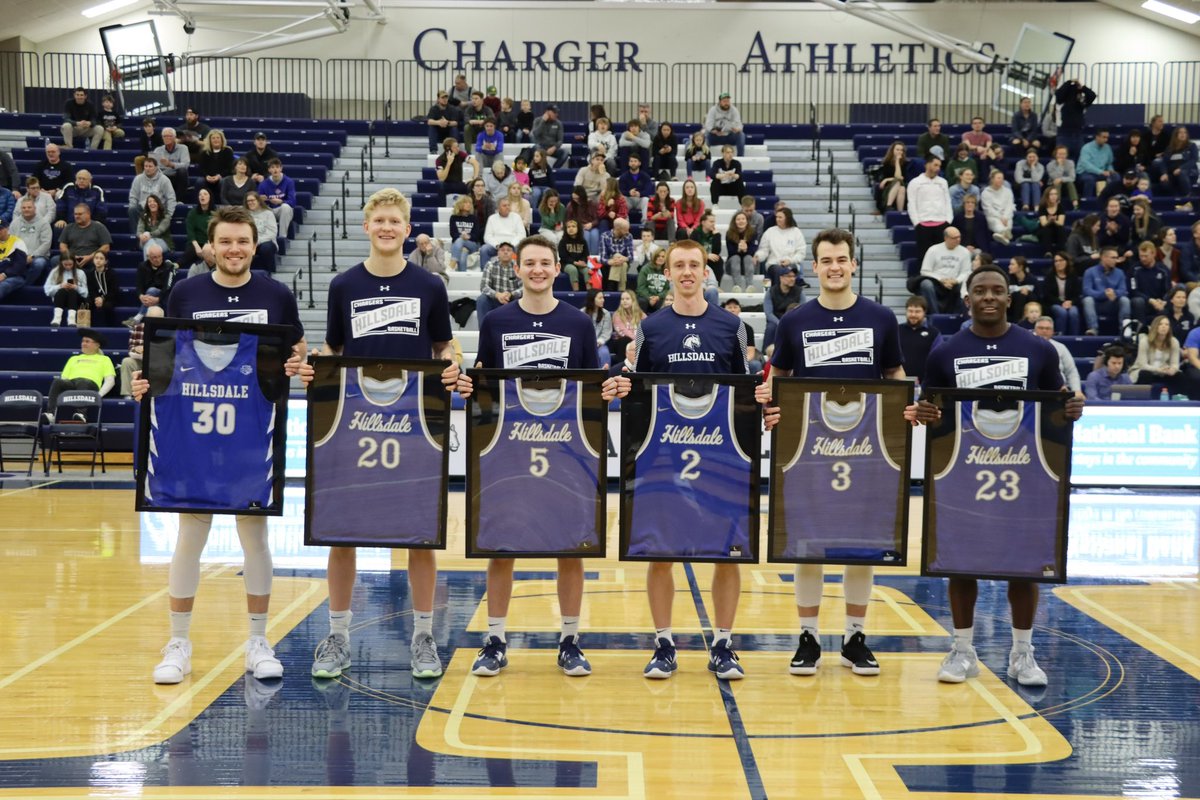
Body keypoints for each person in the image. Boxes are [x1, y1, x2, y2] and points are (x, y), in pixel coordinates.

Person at [130, 205, 306, 686]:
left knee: (255, 536)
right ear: (211, 246)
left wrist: (295, 365)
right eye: (225, 241)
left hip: (250, 431)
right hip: (195, 430)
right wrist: (144, 385)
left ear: (255, 245)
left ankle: (257, 640)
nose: (234, 249)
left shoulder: (275, 293)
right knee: (191, 533)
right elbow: (162, 358)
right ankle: (179, 642)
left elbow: (298, 350)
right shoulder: (186, 291)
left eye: (242, 242)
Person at [294, 188, 457, 681]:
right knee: (342, 531)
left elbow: (445, 347)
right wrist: (314, 367)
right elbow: (332, 348)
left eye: (396, 221)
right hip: (356, 422)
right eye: (380, 220)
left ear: (408, 230)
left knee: (421, 535)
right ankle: (338, 636)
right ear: (367, 227)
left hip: (413, 424)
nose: (387, 228)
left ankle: (423, 635)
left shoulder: (429, 287)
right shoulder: (344, 285)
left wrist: (451, 368)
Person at [907, 264, 1084, 687]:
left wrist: (1071, 409)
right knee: (961, 563)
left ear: (1010, 299)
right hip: (964, 473)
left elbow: (1054, 407)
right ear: (967, 300)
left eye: (997, 290)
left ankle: (1023, 654)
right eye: (980, 291)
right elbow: (929, 409)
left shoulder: (1038, 350)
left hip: (1022, 474)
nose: (989, 296)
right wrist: (924, 413)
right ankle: (962, 651)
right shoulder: (945, 352)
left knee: (1023, 566)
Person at [456, 235, 623, 678]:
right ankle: (495, 640)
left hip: (565, 447)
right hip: (510, 448)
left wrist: (606, 392)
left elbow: (591, 386)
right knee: (501, 544)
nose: (537, 270)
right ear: (519, 268)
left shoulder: (577, 323)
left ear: (555, 269)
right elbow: (484, 382)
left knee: (570, 546)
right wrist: (470, 385)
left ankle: (570, 639)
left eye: (544, 263)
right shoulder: (496, 322)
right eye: (529, 263)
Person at [758, 228, 905, 677]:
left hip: (865, 449)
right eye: (827, 260)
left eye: (842, 259)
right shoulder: (795, 321)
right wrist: (769, 402)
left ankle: (855, 637)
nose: (835, 267)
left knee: (859, 545)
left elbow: (895, 374)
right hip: (810, 448)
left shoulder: (881, 318)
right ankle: (809, 638)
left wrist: (908, 404)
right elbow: (776, 378)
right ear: (815, 267)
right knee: (808, 545)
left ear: (853, 264)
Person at [633, 239, 748, 680]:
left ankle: (723, 644)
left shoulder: (730, 326)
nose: (686, 272)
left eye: (693, 265)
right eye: (678, 265)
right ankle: (664, 643)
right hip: (665, 456)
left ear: (705, 271)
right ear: (668, 272)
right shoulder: (652, 327)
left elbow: (743, 394)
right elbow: (642, 391)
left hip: (720, 456)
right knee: (660, 552)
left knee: (726, 553)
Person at [45, 328, 114, 423]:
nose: (83, 343)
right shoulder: (73, 358)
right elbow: (64, 378)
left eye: (87, 341)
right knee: (57, 381)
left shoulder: (105, 359)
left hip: (90, 386)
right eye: (83, 341)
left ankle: (81, 414)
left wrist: (99, 395)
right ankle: (51, 414)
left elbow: (110, 380)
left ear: (97, 345)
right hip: (72, 384)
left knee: (83, 381)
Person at [908, 155, 953, 265]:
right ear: (927, 165)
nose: (938, 168)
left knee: (942, 257)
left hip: (941, 223)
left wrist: (948, 220)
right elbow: (912, 203)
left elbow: (947, 202)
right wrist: (917, 222)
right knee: (924, 257)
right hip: (923, 224)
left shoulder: (943, 182)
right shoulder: (915, 182)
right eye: (935, 165)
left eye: (939, 166)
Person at [914, 227, 971, 314]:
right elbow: (925, 271)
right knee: (926, 284)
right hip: (936, 283)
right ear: (946, 238)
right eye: (954, 238)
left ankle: (957, 315)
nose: (958, 240)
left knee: (963, 285)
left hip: (954, 283)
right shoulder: (933, 250)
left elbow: (966, 272)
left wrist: (956, 280)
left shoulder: (965, 252)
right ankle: (935, 314)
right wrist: (941, 279)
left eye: (959, 237)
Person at [124, 244, 178, 327]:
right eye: (154, 257)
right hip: (149, 300)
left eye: (159, 256)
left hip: (165, 298)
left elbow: (167, 287)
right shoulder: (142, 266)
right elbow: (139, 285)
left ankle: (138, 317)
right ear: (148, 257)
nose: (158, 259)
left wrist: (158, 298)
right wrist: (141, 296)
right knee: (150, 294)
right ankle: (140, 320)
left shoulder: (169, 267)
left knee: (151, 290)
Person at [118, 307, 164, 398]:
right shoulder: (138, 328)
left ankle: (160, 394)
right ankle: (127, 394)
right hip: (141, 360)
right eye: (151, 318)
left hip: (159, 362)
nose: (154, 321)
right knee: (127, 361)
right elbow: (131, 348)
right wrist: (136, 350)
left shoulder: (167, 331)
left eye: (157, 319)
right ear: (146, 317)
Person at [1033, 316, 1083, 397]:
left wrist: (1076, 390)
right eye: (1041, 328)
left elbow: (1071, 371)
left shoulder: (1061, 347)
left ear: (1053, 331)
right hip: (1033, 390)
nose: (1044, 331)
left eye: (1048, 328)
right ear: (1035, 330)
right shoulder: (1027, 346)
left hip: (1059, 391)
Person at [1129, 315, 1182, 391]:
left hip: (1163, 372)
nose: (1164, 327)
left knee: (1179, 376)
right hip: (1146, 370)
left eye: (1167, 324)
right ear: (1155, 326)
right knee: (1146, 374)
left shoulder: (1174, 342)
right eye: (1160, 324)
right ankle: (1143, 400)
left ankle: (1179, 399)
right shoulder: (1145, 341)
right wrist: (1158, 369)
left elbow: (1175, 363)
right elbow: (1143, 365)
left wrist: (1173, 369)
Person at [897, 296, 941, 384]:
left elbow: (937, 359)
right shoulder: (897, 330)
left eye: (917, 312)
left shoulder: (934, 333)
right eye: (910, 311)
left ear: (924, 312)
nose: (913, 315)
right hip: (899, 383)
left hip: (925, 384)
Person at [755, 207, 806, 282]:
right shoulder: (770, 231)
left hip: (791, 263)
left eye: (780, 217)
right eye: (777, 217)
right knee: (780, 271)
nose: (777, 219)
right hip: (774, 264)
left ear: (787, 218)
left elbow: (801, 252)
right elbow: (764, 250)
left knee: (789, 271)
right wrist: (758, 256)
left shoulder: (796, 232)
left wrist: (790, 261)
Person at [475, 241, 521, 324]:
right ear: (498, 253)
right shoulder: (490, 265)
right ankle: (484, 333)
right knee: (482, 299)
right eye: (502, 250)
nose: (505, 252)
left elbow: (524, 288)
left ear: (513, 253)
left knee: (522, 298)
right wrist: (497, 295)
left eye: (508, 250)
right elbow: (484, 287)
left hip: (512, 300)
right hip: (495, 299)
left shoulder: (517, 266)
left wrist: (511, 294)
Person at [127, 157, 176, 234]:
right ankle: (137, 237)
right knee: (132, 210)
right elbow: (133, 196)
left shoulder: (164, 180)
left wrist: (169, 214)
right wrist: (132, 206)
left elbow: (171, 198)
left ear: (156, 167)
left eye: (150, 166)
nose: (147, 169)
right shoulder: (138, 179)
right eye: (146, 166)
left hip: (159, 209)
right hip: (143, 208)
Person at [1040, 251, 1084, 336]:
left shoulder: (1073, 276)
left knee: (1074, 313)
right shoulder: (1050, 276)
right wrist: (1061, 303)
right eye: (1056, 261)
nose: (1058, 263)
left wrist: (1071, 302)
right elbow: (1047, 295)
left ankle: (1074, 337)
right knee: (1062, 312)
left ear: (1066, 262)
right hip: (1054, 303)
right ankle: (1061, 336)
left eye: (1061, 260)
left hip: (1070, 303)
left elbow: (1077, 294)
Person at [58, 203, 112, 272]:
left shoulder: (99, 227)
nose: (77, 216)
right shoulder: (68, 227)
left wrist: (90, 257)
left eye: (80, 214)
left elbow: (106, 247)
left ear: (88, 214)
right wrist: (71, 257)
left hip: (92, 259)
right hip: (72, 259)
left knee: (99, 262)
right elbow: (62, 246)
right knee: (55, 260)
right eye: (75, 214)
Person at [1155, 126, 1198, 207]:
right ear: (1176, 135)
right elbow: (1163, 162)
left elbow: (1194, 160)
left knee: (1182, 173)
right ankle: (1176, 200)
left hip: (1189, 172)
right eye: (1180, 132)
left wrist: (1181, 168)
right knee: (1164, 182)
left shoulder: (1192, 146)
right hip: (1173, 174)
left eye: (1185, 132)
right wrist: (1164, 173)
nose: (1183, 134)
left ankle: (1187, 200)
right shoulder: (1169, 148)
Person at [10, 199, 50, 285]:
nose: (26, 209)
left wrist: (32, 256)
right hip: (18, 256)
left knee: (39, 264)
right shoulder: (15, 223)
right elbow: (10, 241)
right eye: (24, 207)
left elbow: (46, 243)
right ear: (21, 209)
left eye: (29, 207)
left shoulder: (44, 223)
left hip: (38, 256)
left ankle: (25, 284)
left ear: (35, 208)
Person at [1054, 78, 1096, 160]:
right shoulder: (1061, 102)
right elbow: (1058, 93)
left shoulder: (1081, 103)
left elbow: (1092, 96)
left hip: (1077, 132)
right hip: (1064, 133)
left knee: (1081, 157)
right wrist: (1069, 82)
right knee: (1061, 157)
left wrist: (1082, 87)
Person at [763, 264, 803, 348]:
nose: (792, 279)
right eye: (788, 276)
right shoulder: (771, 291)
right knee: (771, 327)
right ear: (781, 278)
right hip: (776, 320)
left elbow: (803, 310)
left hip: (793, 320)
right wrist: (780, 323)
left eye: (793, 276)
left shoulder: (799, 291)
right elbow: (768, 313)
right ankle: (766, 354)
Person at [44, 256, 88, 326]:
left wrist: (76, 287)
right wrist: (60, 286)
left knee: (72, 291)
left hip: (75, 299)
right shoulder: (55, 272)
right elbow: (47, 290)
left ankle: (72, 319)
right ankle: (57, 318)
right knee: (62, 291)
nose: (68, 267)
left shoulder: (80, 273)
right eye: (65, 264)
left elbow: (86, 293)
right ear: (61, 263)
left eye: (70, 264)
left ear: (74, 263)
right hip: (60, 298)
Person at [257, 159, 296, 238]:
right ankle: (263, 238)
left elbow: (293, 202)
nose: (275, 170)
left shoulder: (289, 182)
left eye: (277, 167)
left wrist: (281, 202)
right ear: (269, 170)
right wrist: (261, 200)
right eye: (272, 167)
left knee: (286, 207)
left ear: (281, 169)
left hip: (282, 210)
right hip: (269, 210)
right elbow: (257, 203)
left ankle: (282, 237)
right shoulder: (263, 184)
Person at [151, 128, 191, 200]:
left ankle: (178, 200)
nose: (167, 138)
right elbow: (154, 167)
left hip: (177, 177)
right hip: (163, 176)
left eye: (169, 136)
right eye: (164, 136)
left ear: (174, 137)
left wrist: (171, 164)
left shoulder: (183, 148)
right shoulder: (158, 150)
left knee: (183, 171)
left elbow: (185, 164)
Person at [873, 141, 914, 213]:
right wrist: (887, 180)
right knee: (898, 183)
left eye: (901, 150)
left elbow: (900, 177)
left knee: (901, 188)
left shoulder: (906, 164)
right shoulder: (887, 163)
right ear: (892, 151)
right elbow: (898, 177)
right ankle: (888, 206)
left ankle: (899, 212)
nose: (899, 152)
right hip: (887, 189)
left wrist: (897, 161)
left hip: (901, 186)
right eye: (897, 149)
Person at [723, 298, 762, 373]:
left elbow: (751, 352)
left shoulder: (747, 328)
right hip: (724, 359)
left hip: (743, 360)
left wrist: (740, 362)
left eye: (735, 307)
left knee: (755, 365)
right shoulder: (719, 327)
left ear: (739, 310)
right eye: (729, 307)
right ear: (724, 309)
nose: (732, 310)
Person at [243, 192, 278, 272]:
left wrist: (257, 241)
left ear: (258, 201)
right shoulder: (244, 215)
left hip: (266, 241)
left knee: (266, 248)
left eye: (252, 200)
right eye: (248, 201)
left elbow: (272, 233)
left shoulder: (268, 213)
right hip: (249, 242)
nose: (250, 203)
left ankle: (269, 272)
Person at [85, 250, 121, 327]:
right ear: (93, 260)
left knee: (107, 306)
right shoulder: (90, 273)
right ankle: (88, 326)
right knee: (87, 303)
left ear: (105, 261)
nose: (98, 260)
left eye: (101, 258)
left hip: (109, 298)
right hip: (96, 298)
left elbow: (114, 290)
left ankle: (110, 328)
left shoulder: (111, 273)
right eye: (96, 258)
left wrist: (103, 298)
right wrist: (96, 299)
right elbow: (91, 290)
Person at [182, 188, 215, 270]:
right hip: (196, 241)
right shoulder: (193, 213)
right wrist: (197, 247)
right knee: (191, 250)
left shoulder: (215, 213)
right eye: (200, 194)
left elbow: (216, 231)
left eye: (205, 194)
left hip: (210, 241)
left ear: (210, 197)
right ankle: (177, 265)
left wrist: (210, 243)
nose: (202, 196)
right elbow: (190, 231)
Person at [725, 210, 758, 290]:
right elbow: (730, 252)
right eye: (738, 219)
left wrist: (746, 249)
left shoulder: (753, 233)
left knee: (748, 257)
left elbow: (754, 249)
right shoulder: (729, 233)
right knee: (736, 257)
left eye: (743, 219)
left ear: (747, 221)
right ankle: (737, 286)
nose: (741, 221)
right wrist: (739, 249)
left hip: (748, 265)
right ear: (735, 222)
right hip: (733, 266)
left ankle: (749, 286)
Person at [980, 169, 1015, 245]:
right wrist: (1000, 217)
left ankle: (1003, 236)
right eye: (998, 178)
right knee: (997, 224)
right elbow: (988, 209)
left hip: (1006, 216)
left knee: (1008, 222)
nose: (1001, 180)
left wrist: (1005, 217)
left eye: (1002, 178)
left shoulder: (1008, 191)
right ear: (992, 179)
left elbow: (1009, 206)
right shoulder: (985, 192)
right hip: (993, 216)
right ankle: (1005, 235)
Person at [599, 217, 634, 291]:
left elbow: (631, 257)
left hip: (623, 262)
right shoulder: (605, 236)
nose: (627, 232)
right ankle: (621, 289)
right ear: (617, 229)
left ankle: (611, 287)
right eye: (625, 230)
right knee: (620, 261)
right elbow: (603, 258)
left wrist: (623, 259)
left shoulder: (629, 236)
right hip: (608, 266)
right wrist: (611, 261)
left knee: (620, 259)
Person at [196, 130, 234, 197]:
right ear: (210, 140)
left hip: (222, 177)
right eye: (213, 138)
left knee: (223, 181)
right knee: (199, 181)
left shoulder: (228, 151)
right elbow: (201, 168)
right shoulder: (204, 152)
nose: (216, 140)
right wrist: (206, 176)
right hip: (208, 177)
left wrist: (219, 176)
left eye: (218, 138)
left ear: (222, 139)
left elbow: (230, 168)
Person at [1077, 129, 1114, 198]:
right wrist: (1101, 172)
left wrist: (1110, 170)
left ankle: (1110, 201)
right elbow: (1086, 165)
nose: (1106, 140)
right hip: (1085, 172)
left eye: (1107, 137)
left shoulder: (1108, 148)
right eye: (1104, 137)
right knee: (1089, 180)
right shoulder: (1086, 148)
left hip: (1102, 172)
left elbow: (1109, 163)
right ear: (1097, 137)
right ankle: (1087, 202)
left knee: (1115, 177)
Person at [0, 219, 30, 302]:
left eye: (0, 229)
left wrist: (4, 274)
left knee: (3, 285)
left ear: (7, 228)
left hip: (14, 276)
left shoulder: (17, 242)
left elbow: (19, 265)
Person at [610, 288, 644, 358]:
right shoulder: (617, 315)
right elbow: (623, 332)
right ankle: (623, 367)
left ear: (633, 300)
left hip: (637, 342)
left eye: (627, 299)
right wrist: (637, 341)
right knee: (625, 340)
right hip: (621, 343)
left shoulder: (641, 314)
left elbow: (647, 328)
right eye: (622, 299)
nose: (624, 301)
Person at [566, 186, 600, 254]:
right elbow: (569, 220)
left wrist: (591, 224)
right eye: (574, 198)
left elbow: (598, 218)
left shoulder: (592, 204)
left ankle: (594, 257)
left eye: (578, 199)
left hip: (592, 226)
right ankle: (586, 256)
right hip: (579, 226)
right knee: (586, 235)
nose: (576, 200)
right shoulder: (571, 206)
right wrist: (579, 225)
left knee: (595, 235)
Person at [585, 287, 613, 366]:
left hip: (599, 344)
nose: (603, 300)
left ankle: (604, 376)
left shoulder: (606, 313)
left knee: (604, 353)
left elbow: (606, 332)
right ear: (592, 299)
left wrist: (598, 342)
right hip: (585, 344)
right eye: (600, 298)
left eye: (603, 298)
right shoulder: (582, 312)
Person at [558, 218, 589, 289]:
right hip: (566, 264)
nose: (571, 229)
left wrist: (583, 261)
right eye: (568, 227)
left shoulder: (583, 241)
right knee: (573, 270)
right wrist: (575, 262)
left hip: (580, 264)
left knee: (587, 270)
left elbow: (586, 254)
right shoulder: (563, 241)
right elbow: (563, 257)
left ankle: (590, 293)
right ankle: (576, 292)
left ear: (578, 228)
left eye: (573, 226)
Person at [636, 247, 670, 313]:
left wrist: (658, 297)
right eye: (658, 256)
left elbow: (667, 289)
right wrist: (650, 297)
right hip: (645, 297)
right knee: (642, 301)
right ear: (654, 257)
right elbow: (641, 288)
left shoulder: (667, 270)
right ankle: (641, 322)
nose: (660, 258)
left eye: (663, 256)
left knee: (665, 302)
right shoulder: (645, 269)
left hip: (659, 297)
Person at [1035, 187, 1068, 254]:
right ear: (1047, 196)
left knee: (1060, 229)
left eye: (1055, 194)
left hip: (1056, 230)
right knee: (1047, 229)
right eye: (1051, 194)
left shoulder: (1060, 207)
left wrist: (1054, 220)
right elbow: (1043, 223)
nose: (1054, 196)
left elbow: (1061, 223)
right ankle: (1048, 252)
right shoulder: (1042, 207)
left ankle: (1061, 252)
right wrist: (1050, 220)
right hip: (1044, 230)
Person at [1045, 145, 1079, 210]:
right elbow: (1054, 177)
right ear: (1056, 154)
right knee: (1058, 183)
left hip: (1066, 185)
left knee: (1070, 183)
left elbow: (1072, 178)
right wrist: (1060, 165)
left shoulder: (1070, 163)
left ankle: (1075, 204)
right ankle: (1057, 204)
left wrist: (1061, 179)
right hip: (1053, 184)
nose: (1062, 156)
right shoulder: (1050, 165)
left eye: (1064, 154)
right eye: (1060, 154)